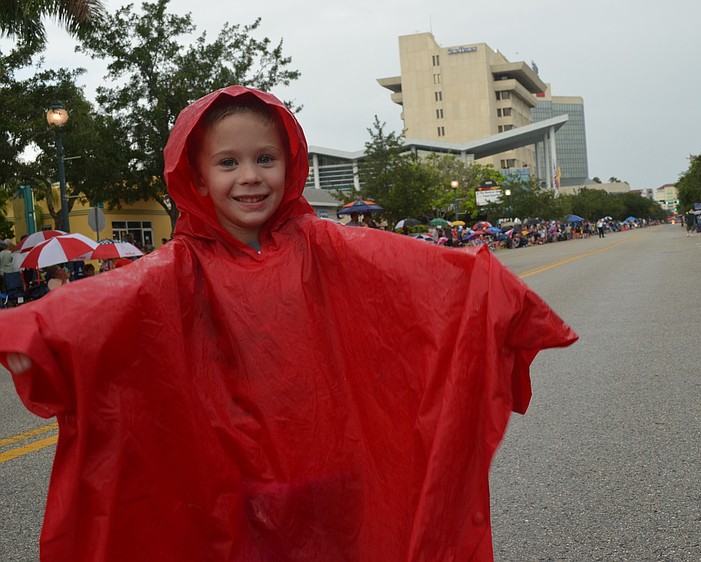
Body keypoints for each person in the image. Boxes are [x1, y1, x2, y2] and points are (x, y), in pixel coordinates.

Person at [0, 85, 577, 562]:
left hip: (331, 469)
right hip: (239, 483)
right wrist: (38, 338)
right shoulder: (180, 267)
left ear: (290, 164)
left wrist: (497, 301)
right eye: (228, 163)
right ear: (197, 179)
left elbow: (419, 276)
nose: (249, 176)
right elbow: (110, 303)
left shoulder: (324, 247)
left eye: (264, 159)